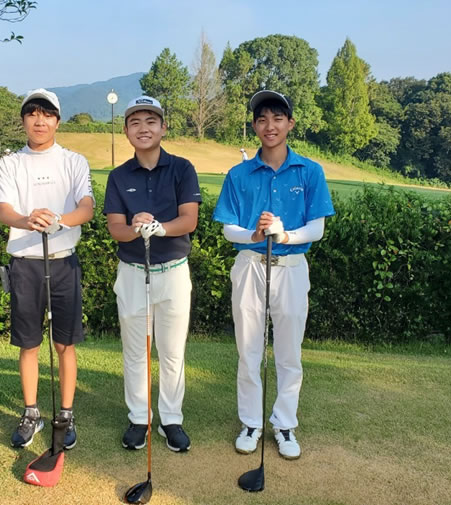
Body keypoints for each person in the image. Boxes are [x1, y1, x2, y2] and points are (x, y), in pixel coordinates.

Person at [212, 90, 335, 460]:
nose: (270, 126)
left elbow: (316, 229)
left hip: (292, 268)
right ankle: (251, 422)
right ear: (254, 126)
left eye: (278, 118)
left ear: (290, 124)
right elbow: (228, 229)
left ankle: (284, 424)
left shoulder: (310, 171)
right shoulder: (239, 174)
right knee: (248, 351)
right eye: (262, 119)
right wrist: (254, 234)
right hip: (251, 265)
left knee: (288, 353)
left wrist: (284, 236)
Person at [0, 88, 94, 450]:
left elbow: (86, 207)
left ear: (57, 121)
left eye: (47, 114)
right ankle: (31, 412)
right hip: (25, 263)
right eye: (32, 114)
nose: (40, 121)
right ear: (23, 120)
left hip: (64, 260)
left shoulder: (73, 161)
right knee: (29, 344)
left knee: (65, 343)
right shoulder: (11, 163)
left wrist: (59, 221)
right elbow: (4, 209)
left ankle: (65, 414)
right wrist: (27, 220)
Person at [103, 96, 200, 453]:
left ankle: (171, 419)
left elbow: (189, 220)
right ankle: (139, 418)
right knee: (136, 351)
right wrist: (135, 227)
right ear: (126, 130)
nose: (143, 128)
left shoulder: (182, 169)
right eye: (135, 122)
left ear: (163, 127)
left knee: (172, 351)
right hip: (132, 272)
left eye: (150, 121)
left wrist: (159, 228)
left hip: (173, 271)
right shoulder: (118, 176)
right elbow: (115, 228)